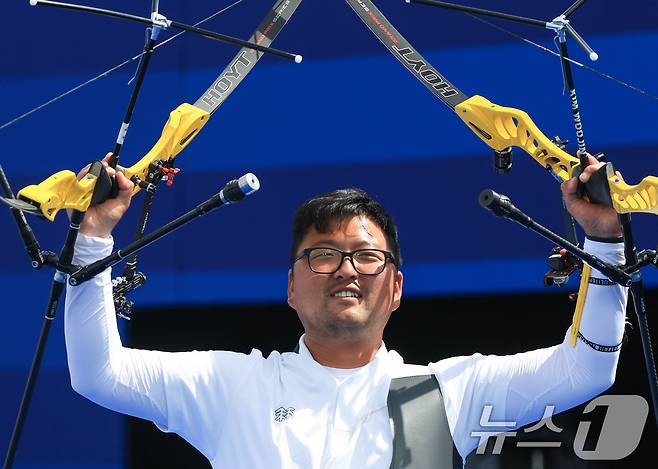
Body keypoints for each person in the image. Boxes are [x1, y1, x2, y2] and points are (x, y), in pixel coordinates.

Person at [65, 153, 627, 468]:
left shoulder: (444, 390)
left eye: (366, 256)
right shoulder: (233, 385)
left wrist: (604, 242)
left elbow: (588, 371)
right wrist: (92, 240)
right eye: (324, 255)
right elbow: (100, 373)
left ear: (397, 286)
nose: (346, 270)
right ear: (291, 286)